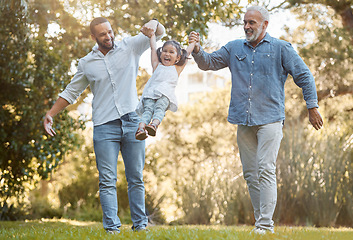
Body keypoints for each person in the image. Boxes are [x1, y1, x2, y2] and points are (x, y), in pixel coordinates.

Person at [189, 5, 323, 234]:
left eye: (252, 22)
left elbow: (304, 75)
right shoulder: (233, 48)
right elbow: (208, 63)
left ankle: (264, 226)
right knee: (251, 173)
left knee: (265, 168)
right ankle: (261, 222)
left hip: (270, 119)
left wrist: (312, 106)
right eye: (245, 22)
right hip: (244, 120)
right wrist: (198, 49)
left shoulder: (281, 48)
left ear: (265, 24)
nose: (247, 26)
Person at [43, 17, 165, 234]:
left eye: (110, 31)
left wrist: (154, 22)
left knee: (135, 177)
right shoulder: (86, 63)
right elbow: (71, 92)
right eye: (102, 34)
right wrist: (51, 113)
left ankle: (140, 226)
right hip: (104, 126)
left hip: (133, 122)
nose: (108, 37)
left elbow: (159, 33)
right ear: (93, 37)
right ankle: (112, 229)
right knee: (107, 180)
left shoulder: (130, 46)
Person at [135, 27, 196, 140]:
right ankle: (141, 129)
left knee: (159, 109)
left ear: (178, 58)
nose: (167, 54)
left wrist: (193, 42)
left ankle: (154, 125)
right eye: (165, 51)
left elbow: (187, 52)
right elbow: (153, 48)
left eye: (171, 52)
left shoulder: (177, 68)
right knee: (147, 110)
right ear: (161, 52)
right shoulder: (156, 65)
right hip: (150, 94)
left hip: (165, 95)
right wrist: (152, 35)